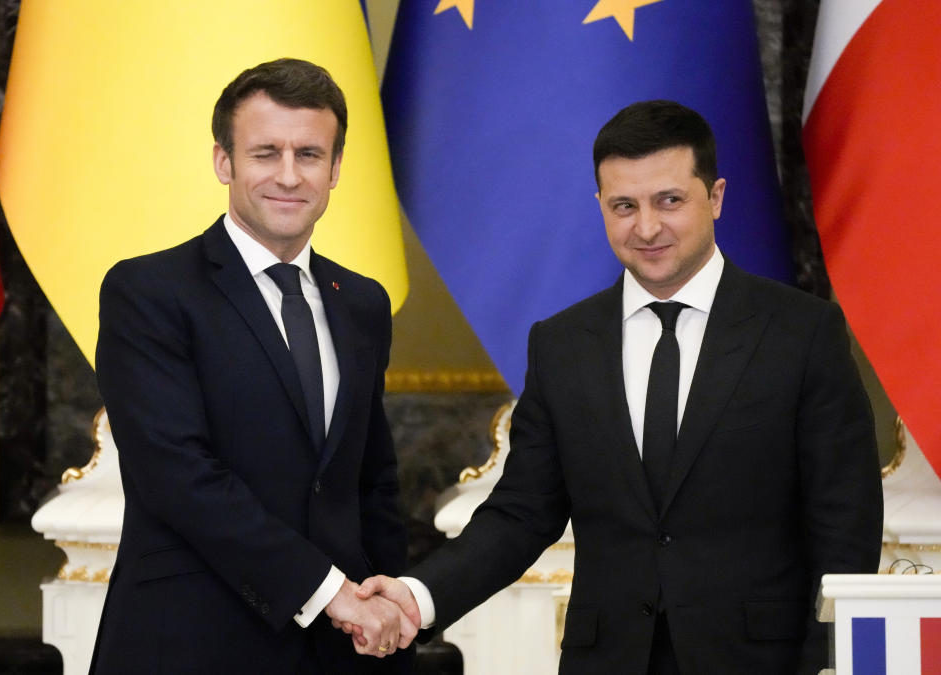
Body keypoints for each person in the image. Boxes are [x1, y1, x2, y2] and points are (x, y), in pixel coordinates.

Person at [354, 100, 884, 674]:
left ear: (717, 197)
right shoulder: (561, 345)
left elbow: (844, 524)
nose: (647, 227)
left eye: (670, 201)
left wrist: (826, 661)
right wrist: (418, 596)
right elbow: (521, 514)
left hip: (761, 661)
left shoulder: (802, 332)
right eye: (624, 206)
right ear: (601, 207)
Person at [90, 58, 414, 674]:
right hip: (190, 643)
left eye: (310, 155)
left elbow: (372, 479)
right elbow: (178, 475)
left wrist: (385, 603)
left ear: (336, 168)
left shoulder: (364, 302)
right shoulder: (149, 291)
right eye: (266, 153)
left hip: (340, 652)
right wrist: (330, 594)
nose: (289, 176)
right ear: (224, 162)